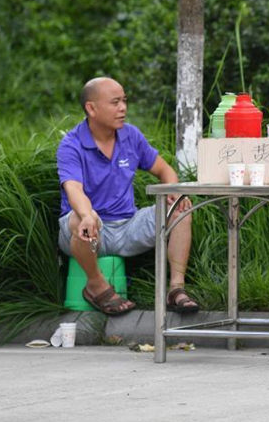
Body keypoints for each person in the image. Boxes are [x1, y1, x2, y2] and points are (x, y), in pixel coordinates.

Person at [56, 77, 199, 315]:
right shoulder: (71, 144)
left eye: (124, 101)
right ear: (91, 108)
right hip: (89, 232)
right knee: (82, 219)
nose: (123, 108)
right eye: (115, 102)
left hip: (128, 226)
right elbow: (74, 189)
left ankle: (176, 289)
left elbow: (164, 170)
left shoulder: (131, 136)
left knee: (181, 210)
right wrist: (87, 215)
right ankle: (96, 285)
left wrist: (174, 191)